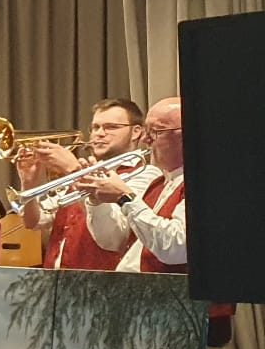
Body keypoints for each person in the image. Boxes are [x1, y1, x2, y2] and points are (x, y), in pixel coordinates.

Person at [17, 100, 153, 270]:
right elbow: (34, 222)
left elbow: (113, 236)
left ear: (136, 132)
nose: (99, 134)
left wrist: (73, 170)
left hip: (101, 279)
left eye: (111, 127)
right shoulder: (85, 169)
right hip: (56, 279)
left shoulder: (146, 174)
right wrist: (29, 183)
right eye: (95, 128)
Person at [87, 95, 187, 271]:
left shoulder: (200, 185)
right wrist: (96, 201)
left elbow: (176, 247)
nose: (145, 139)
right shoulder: (158, 184)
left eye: (156, 131)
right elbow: (114, 241)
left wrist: (124, 197)